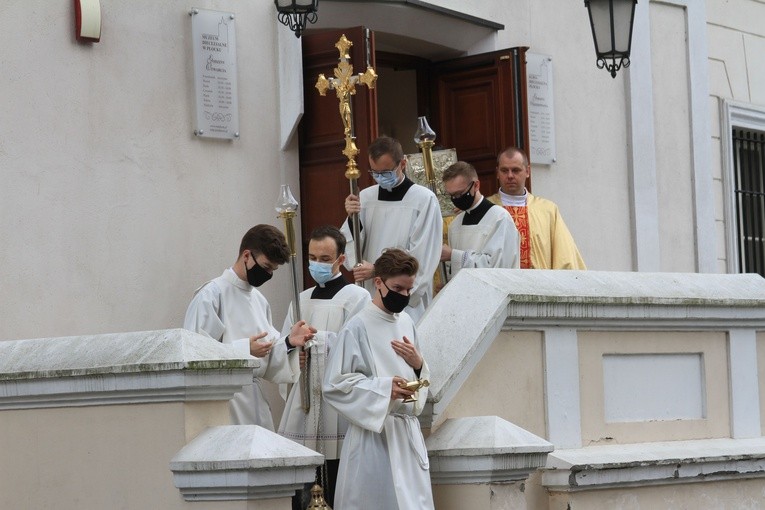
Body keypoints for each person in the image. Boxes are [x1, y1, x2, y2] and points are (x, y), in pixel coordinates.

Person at [323, 249, 434, 510]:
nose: (404, 296)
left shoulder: (407, 321)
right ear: (378, 283)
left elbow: (420, 376)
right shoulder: (357, 326)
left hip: (406, 434)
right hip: (374, 437)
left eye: (409, 290)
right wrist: (386, 389)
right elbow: (335, 385)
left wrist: (419, 367)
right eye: (398, 288)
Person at [183, 224, 316, 429]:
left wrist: (289, 342)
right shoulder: (212, 295)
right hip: (223, 400)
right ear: (246, 256)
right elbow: (194, 354)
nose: (268, 274)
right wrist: (244, 350)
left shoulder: (259, 300)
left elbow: (267, 357)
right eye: (265, 267)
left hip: (254, 398)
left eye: (273, 270)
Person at [278, 226, 370, 509]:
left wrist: (317, 344)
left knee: (337, 474)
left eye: (324, 258)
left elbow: (360, 352)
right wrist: (294, 354)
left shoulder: (357, 298)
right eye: (312, 257)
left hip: (337, 404)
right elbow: (284, 348)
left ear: (340, 260)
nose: (316, 264)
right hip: (304, 400)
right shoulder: (300, 299)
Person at [341, 136, 442, 323]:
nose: (380, 178)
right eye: (374, 173)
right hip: (371, 295)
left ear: (402, 164)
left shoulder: (424, 200)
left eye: (386, 172)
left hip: (405, 300)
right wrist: (352, 218)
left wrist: (378, 270)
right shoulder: (364, 198)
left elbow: (423, 256)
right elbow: (350, 249)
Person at [488, 146, 586, 269]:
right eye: (504, 170)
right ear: (497, 173)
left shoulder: (548, 210)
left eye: (516, 170)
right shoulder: (486, 209)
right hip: (499, 284)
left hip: (538, 285)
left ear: (527, 171)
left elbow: (565, 257)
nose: (510, 175)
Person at [440, 161, 520, 278]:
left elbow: (497, 267)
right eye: (452, 195)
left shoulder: (499, 218)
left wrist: (453, 255)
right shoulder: (455, 224)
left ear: (476, 185)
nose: (456, 199)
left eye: (460, 193)